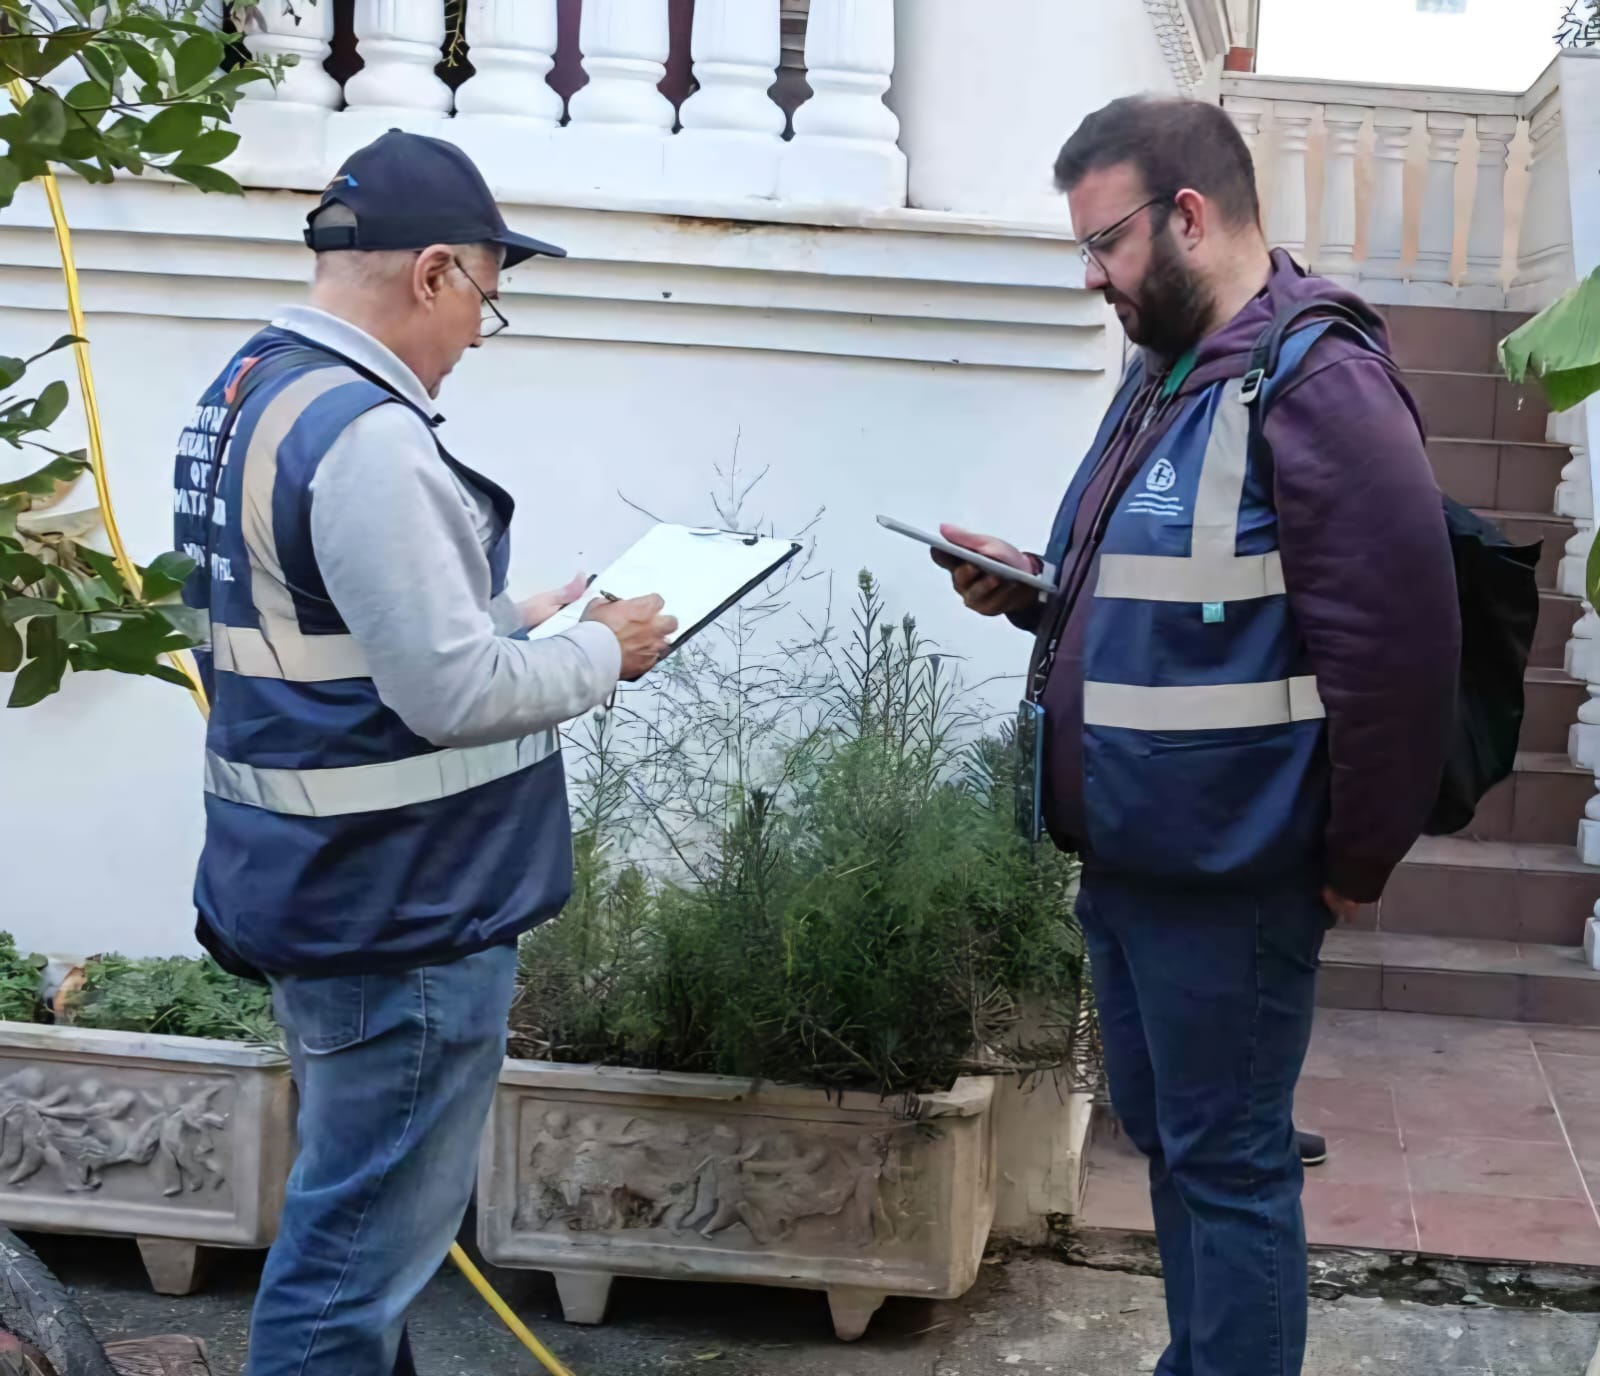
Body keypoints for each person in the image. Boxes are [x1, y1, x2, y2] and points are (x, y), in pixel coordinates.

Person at [934, 97, 1458, 1376]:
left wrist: (1354, 859)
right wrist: (1034, 586)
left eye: (1106, 242)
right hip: (1135, 854)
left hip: (1235, 873)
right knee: (1178, 1145)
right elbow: (1163, 592)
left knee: (1227, 1165)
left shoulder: (1316, 380)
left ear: (1187, 216)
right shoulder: (1165, 373)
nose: (1095, 275)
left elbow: (1400, 653)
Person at [169, 130, 676, 1376]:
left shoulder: (246, 394)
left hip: (314, 883)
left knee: (357, 1226)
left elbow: (332, 637)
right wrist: (603, 652)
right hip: (404, 908)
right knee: (350, 1271)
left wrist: (521, 615)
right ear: (436, 271)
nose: (474, 336)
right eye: (488, 299)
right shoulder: (371, 437)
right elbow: (450, 693)